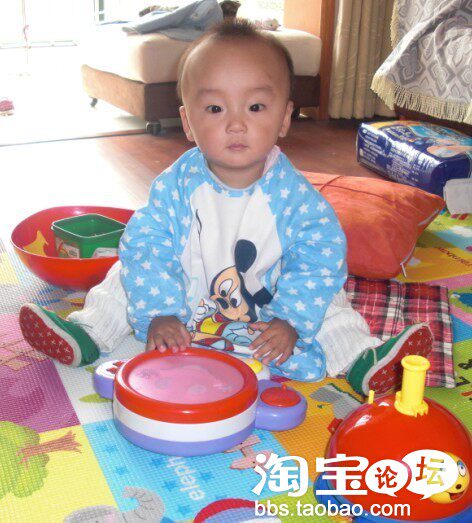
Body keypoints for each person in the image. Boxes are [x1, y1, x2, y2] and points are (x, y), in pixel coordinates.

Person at [19, 20, 433, 395]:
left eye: (255, 107)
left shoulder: (294, 197)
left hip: (271, 301)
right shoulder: (177, 185)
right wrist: (160, 312)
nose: (236, 124)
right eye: (215, 109)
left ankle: (362, 358)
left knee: (330, 299)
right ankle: (88, 333)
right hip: (183, 289)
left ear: (285, 118)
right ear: (188, 122)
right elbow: (148, 245)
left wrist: (290, 319)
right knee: (124, 274)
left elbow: (319, 257)